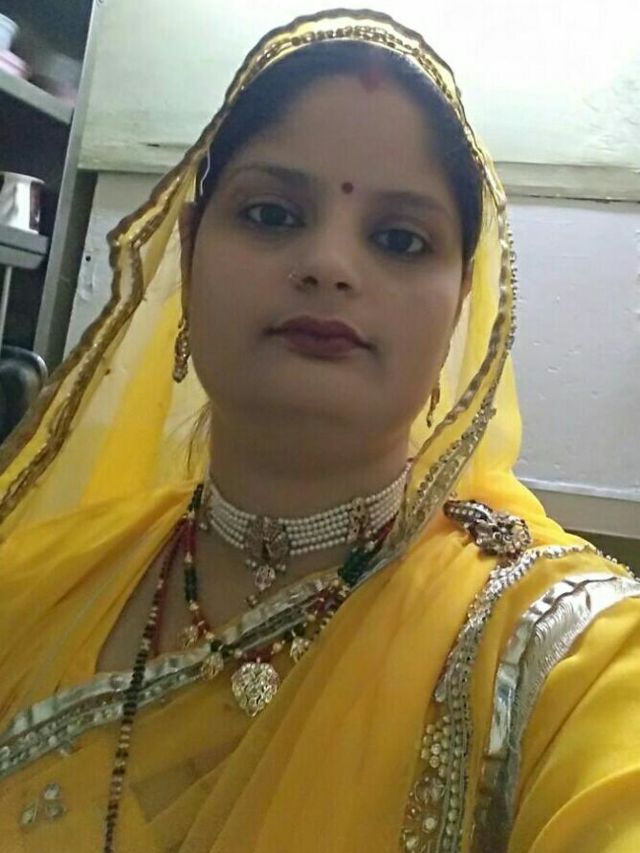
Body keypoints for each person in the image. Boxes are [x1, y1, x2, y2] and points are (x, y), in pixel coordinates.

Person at [0, 9, 638, 853]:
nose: (330, 264)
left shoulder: (564, 653)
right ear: (189, 251)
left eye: (400, 239)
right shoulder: (35, 583)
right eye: (271, 215)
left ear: (459, 303)